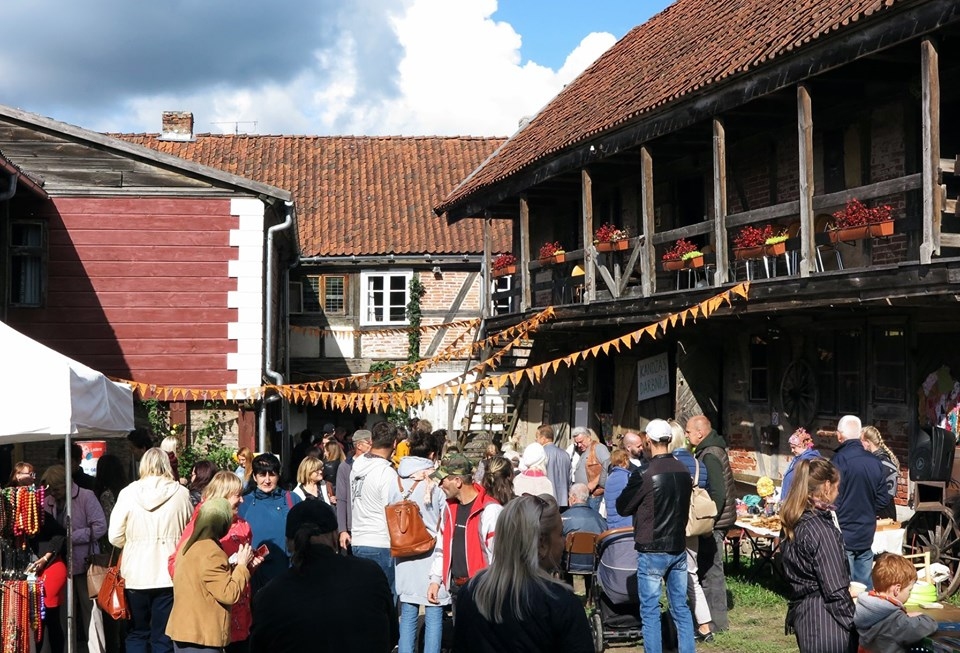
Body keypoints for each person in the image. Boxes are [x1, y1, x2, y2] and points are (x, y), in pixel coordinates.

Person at [250, 500, 398, 652]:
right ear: (335, 536)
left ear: (289, 543)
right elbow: (391, 634)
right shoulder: (370, 573)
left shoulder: (270, 596)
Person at [452, 494, 593, 652]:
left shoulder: (472, 592)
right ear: (541, 543)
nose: (564, 541)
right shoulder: (560, 602)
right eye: (560, 534)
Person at [617, 419, 696, 653]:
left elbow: (623, 506)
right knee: (680, 608)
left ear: (648, 442)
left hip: (652, 547)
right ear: (669, 439)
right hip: (677, 546)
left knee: (650, 611)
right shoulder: (683, 469)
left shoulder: (645, 472)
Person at [108, 447, 193, 653]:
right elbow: (189, 534)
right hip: (169, 574)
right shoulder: (181, 494)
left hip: (135, 574)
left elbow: (114, 536)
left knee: (137, 632)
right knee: (163, 634)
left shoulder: (127, 493)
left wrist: (133, 544)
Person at [171, 471, 257, 653]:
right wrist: (239, 567)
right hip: (205, 622)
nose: (242, 501)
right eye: (237, 495)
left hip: (232, 614)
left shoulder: (241, 525)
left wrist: (246, 566)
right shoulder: (203, 535)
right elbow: (225, 590)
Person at [780, 458, 857, 653]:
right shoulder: (820, 530)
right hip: (825, 622)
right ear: (827, 486)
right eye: (837, 487)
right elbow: (835, 591)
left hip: (806, 615)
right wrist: (857, 625)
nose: (838, 493)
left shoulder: (795, 521)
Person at [392, 429, 449, 653]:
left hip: (404, 550)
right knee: (434, 613)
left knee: (407, 614)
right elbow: (445, 518)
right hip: (434, 551)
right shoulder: (436, 483)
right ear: (433, 454)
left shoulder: (396, 478)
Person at [42, 464, 107, 653]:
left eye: (57, 488)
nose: (54, 493)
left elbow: (100, 527)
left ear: (67, 483)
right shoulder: (48, 501)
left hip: (85, 562)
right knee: (61, 613)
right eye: (51, 489)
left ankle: (96, 650)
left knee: (91, 612)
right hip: (58, 565)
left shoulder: (86, 496)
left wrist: (71, 537)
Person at [427, 453, 502, 611]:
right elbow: (442, 547)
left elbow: (498, 556)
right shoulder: (448, 509)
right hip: (456, 589)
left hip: (483, 591)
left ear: (458, 481)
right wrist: (435, 580)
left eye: (443, 481)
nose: (440, 485)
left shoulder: (490, 511)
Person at [686, 414, 736, 632]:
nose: (687, 436)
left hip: (714, 522)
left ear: (700, 432)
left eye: (688, 432)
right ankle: (707, 619)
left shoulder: (710, 455)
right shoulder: (710, 450)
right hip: (718, 520)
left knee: (712, 571)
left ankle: (716, 622)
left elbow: (718, 492)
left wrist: (708, 521)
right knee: (707, 568)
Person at [667, 418, 715, 643]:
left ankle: (676, 624)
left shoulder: (668, 464)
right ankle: (705, 625)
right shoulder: (698, 464)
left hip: (671, 524)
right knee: (691, 576)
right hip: (692, 526)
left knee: (665, 575)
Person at [833, 415, 888, 588]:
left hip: (844, 529)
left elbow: (831, 497)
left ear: (839, 435)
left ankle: (846, 614)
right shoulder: (875, 462)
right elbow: (883, 499)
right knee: (864, 587)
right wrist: (868, 510)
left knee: (844, 585)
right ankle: (865, 614)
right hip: (866, 530)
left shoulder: (839, 460)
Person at [237, 453, 301, 594]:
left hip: (287, 574)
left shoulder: (292, 500)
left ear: (278, 475)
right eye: (262, 474)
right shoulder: (243, 503)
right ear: (254, 477)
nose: (267, 480)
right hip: (255, 576)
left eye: (271, 474)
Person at [350, 421, 400, 597]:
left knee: (363, 600)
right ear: (394, 444)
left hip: (358, 540)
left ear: (371, 440)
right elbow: (392, 511)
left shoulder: (357, 465)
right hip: (380, 542)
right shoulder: (386, 473)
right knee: (384, 600)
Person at [854, 552, 937, 653]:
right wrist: (922, 616)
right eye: (909, 590)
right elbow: (926, 626)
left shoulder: (862, 608)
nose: (909, 594)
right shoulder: (896, 621)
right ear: (897, 589)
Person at [337, 429, 372, 551]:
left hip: (373, 525)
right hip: (353, 526)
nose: (373, 446)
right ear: (359, 445)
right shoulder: (345, 467)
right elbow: (341, 499)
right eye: (370, 443)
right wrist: (342, 530)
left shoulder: (376, 464)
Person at [560, 483, 607, 572]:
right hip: (593, 563)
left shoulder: (563, 518)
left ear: (573, 498)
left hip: (568, 562)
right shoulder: (599, 518)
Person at [860, 426, 900, 521]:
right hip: (874, 512)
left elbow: (886, 496)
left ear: (868, 442)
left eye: (860, 442)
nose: (859, 446)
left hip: (883, 515)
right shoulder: (873, 462)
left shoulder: (883, 465)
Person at [571, 426, 609, 512]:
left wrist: (594, 483)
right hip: (584, 495)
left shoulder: (599, 448)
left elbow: (608, 466)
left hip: (593, 496)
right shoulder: (581, 451)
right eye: (577, 443)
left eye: (581, 442)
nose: (579, 445)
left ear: (588, 437)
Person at [781, 427, 821, 501]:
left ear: (802, 445)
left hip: (797, 502)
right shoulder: (798, 458)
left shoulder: (809, 460)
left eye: (794, 447)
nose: (792, 450)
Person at [536, 424, 572, 508]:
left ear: (543, 438)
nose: (536, 440)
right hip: (564, 501)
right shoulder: (565, 454)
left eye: (537, 437)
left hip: (547, 501)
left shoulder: (541, 454)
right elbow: (569, 479)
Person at [603, 449, 633, 528]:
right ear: (625, 460)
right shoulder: (628, 477)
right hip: (626, 522)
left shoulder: (609, 478)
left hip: (611, 522)